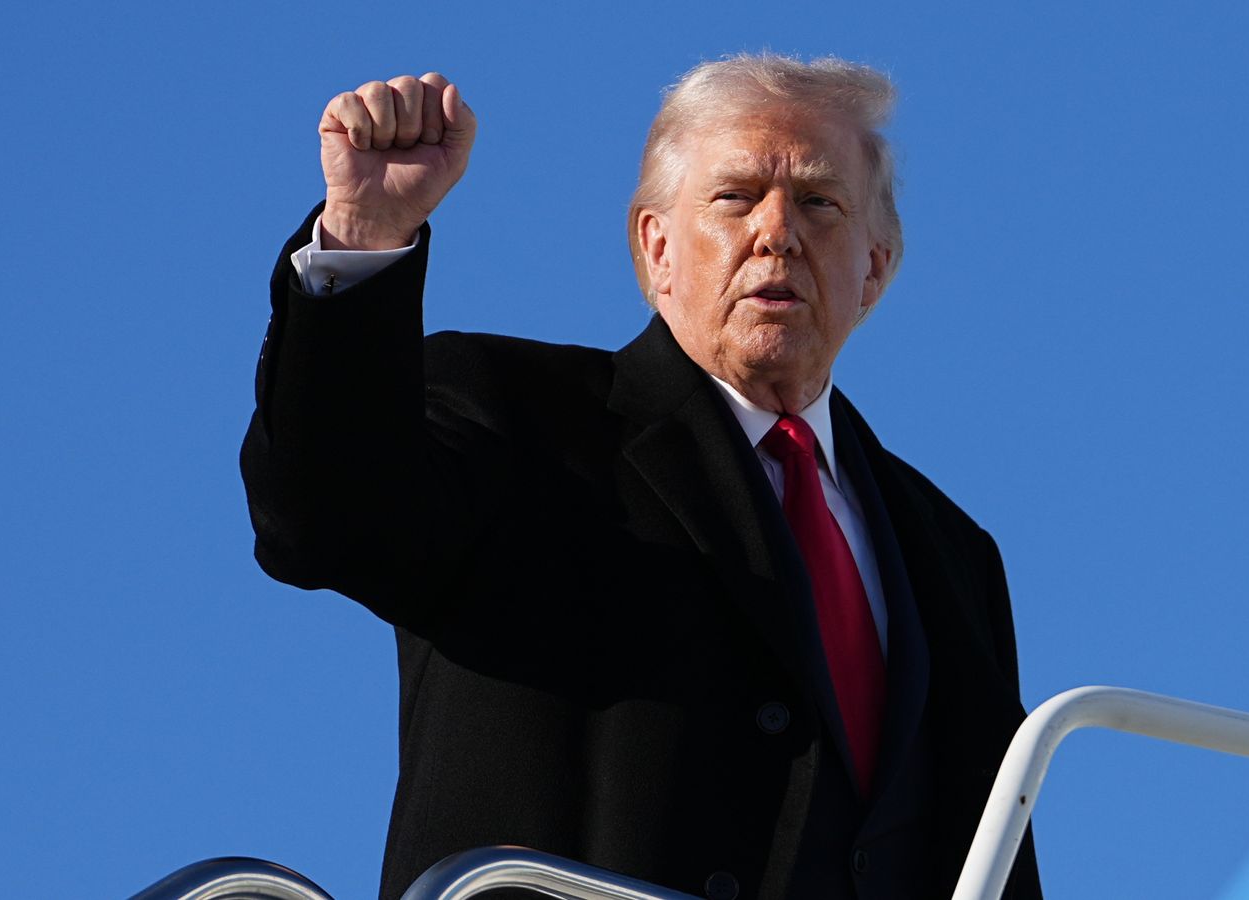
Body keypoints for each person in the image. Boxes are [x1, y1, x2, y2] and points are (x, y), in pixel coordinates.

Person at [241, 55, 1043, 900]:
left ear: (875, 266)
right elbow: (323, 518)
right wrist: (365, 234)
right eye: (735, 197)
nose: (778, 231)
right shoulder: (516, 416)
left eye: (819, 202)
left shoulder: (951, 551)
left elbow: (988, 844)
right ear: (656, 247)